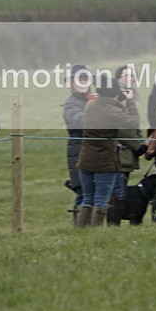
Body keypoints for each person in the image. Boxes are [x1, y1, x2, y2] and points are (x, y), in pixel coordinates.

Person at [76, 73, 139, 227]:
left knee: (87, 199)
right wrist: (130, 101)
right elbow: (134, 123)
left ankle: (81, 231)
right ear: (115, 92)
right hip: (104, 161)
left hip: (85, 159)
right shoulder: (113, 111)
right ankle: (95, 233)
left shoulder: (90, 106)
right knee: (101, 200)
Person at [108, 64, 146, 226]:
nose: (130, 79)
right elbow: (121, 128)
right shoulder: (116, 98)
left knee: (120, 188)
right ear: (118, 78)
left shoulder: (132, 98)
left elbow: (135, 124)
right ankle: (112, 225)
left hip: (127, 151)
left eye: (133, 76)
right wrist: (138, 145)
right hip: (119, 152)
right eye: (126, 75)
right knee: (117, 191)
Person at [62, 64, 92, 224]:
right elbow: (80, 123)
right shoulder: (71, 103)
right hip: (79, 153)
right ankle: (79, 227)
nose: (82, 82)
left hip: (94, 152)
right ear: (72, 84)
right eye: (79, 79)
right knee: (83, 193)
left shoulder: (93, 99)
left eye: (85, 79)